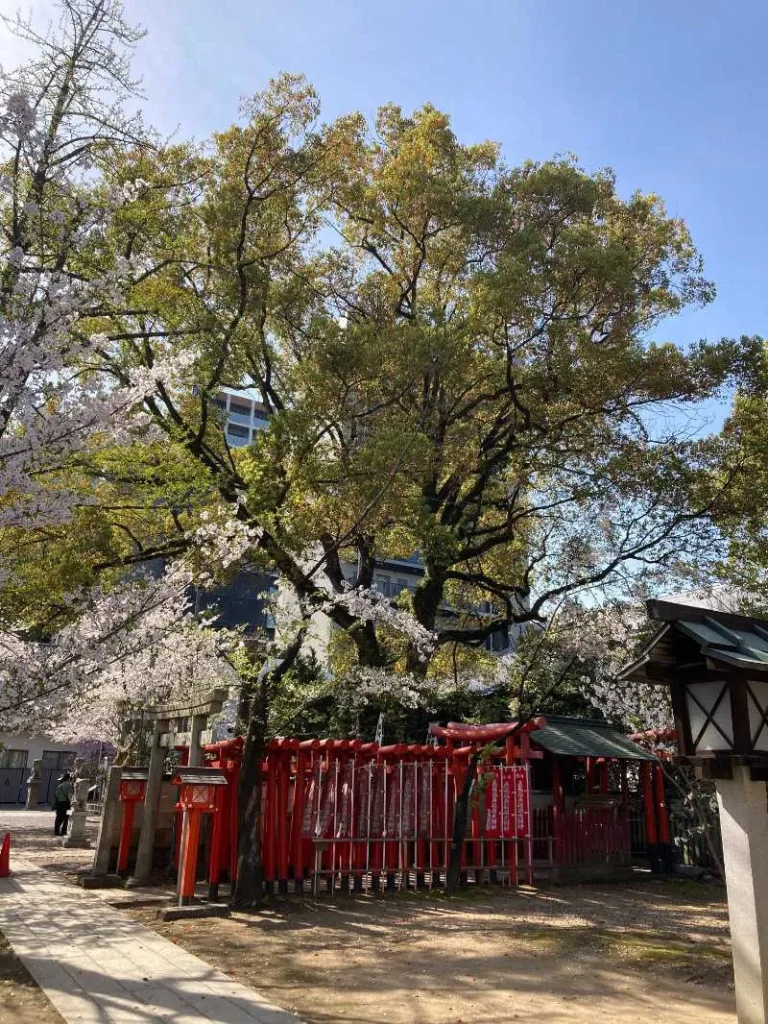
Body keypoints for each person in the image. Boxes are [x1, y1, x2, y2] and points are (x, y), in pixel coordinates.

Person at [52, 772, 74, 836]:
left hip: (59, 804)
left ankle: (56, 831)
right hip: (67, 804)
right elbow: (70, 796)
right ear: (69, 778)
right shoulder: (69, 785)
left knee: (58, 818)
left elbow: (56, 795)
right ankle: (63, 832)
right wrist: (72, 803)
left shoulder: (60, 785)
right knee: (66, 818)